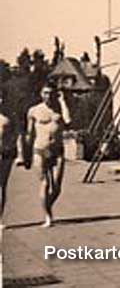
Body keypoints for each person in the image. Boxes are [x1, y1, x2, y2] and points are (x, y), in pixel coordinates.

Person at [24, 83, 70, 227]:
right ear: (41, 94)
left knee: (56, 187)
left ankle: (47, 206)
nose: (48, 96)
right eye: (45, 93)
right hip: (40, 150)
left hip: (57, 151)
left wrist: (63, 101)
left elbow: (68, 121)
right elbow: (29, 134)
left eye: (50, 93)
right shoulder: (34, 111)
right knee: (45, 183)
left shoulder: (59, 109)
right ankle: (48, 216)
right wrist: (25, 155)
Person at [0, 87, 17, 222]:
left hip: (5, 154)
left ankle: (0, 218)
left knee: (1, 186)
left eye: (1, 97)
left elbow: (15, 136)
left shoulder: (9, 117)